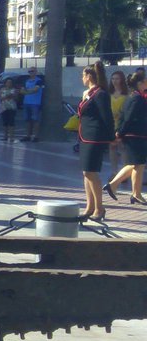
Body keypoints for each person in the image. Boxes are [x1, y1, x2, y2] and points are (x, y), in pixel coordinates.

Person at [77, 61, 114, 221]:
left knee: (91, 172)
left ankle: (100, 207)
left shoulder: (100, 94)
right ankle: (89, 206)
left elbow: (107, 117)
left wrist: (111, 137)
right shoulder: (88, 93)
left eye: (83, 75)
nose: (82, 78)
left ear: (89, 76)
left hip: (95, 137)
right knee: (86, 172)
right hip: (85, 135)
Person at [106, 70, 146, 204]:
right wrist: (120, 133)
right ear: (140, 83)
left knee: (137, 164)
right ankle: (127, 190)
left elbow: (124, 116)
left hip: (136, 135)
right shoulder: (136, 98)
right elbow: (128, 118)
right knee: (137, 164)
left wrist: (119, 131)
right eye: (145, 80)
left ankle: (134, 192)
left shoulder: (133, 97)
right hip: (134, 136)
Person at [108, 70, 130, 171]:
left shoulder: (126, 94)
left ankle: (124, 172)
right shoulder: (109, 93)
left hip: (121, 123)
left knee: (122, 148)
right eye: (113, 79)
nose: (114, 81)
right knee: (112, 147)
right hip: (111, 123)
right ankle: (114, 171)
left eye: (117, 78)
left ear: (122, 80)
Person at [20, 65, 44, 141]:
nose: (31, 73)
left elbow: (36, 89)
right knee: (27, 120)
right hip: (26, 102)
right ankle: (28, 135)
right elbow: (21, 91)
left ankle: (36, 136)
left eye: (32, 71)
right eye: (29, 71)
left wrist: (26, 91)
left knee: (35, 120)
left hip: (35, 103)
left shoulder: (39, 80)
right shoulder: (26, 81)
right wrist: (29, 91)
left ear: (36, 72)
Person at [0, 77, 19, 142]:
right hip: (3, 107)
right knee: (5, 122)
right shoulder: (2, 90)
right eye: (7, 82)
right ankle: (5, 136)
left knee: (11, 122)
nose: (9, 84)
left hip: (12, 107)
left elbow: (17, 98)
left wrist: (13, 96)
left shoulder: (14, 90)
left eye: (10, 82)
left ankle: (11, 137)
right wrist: (5, 97)